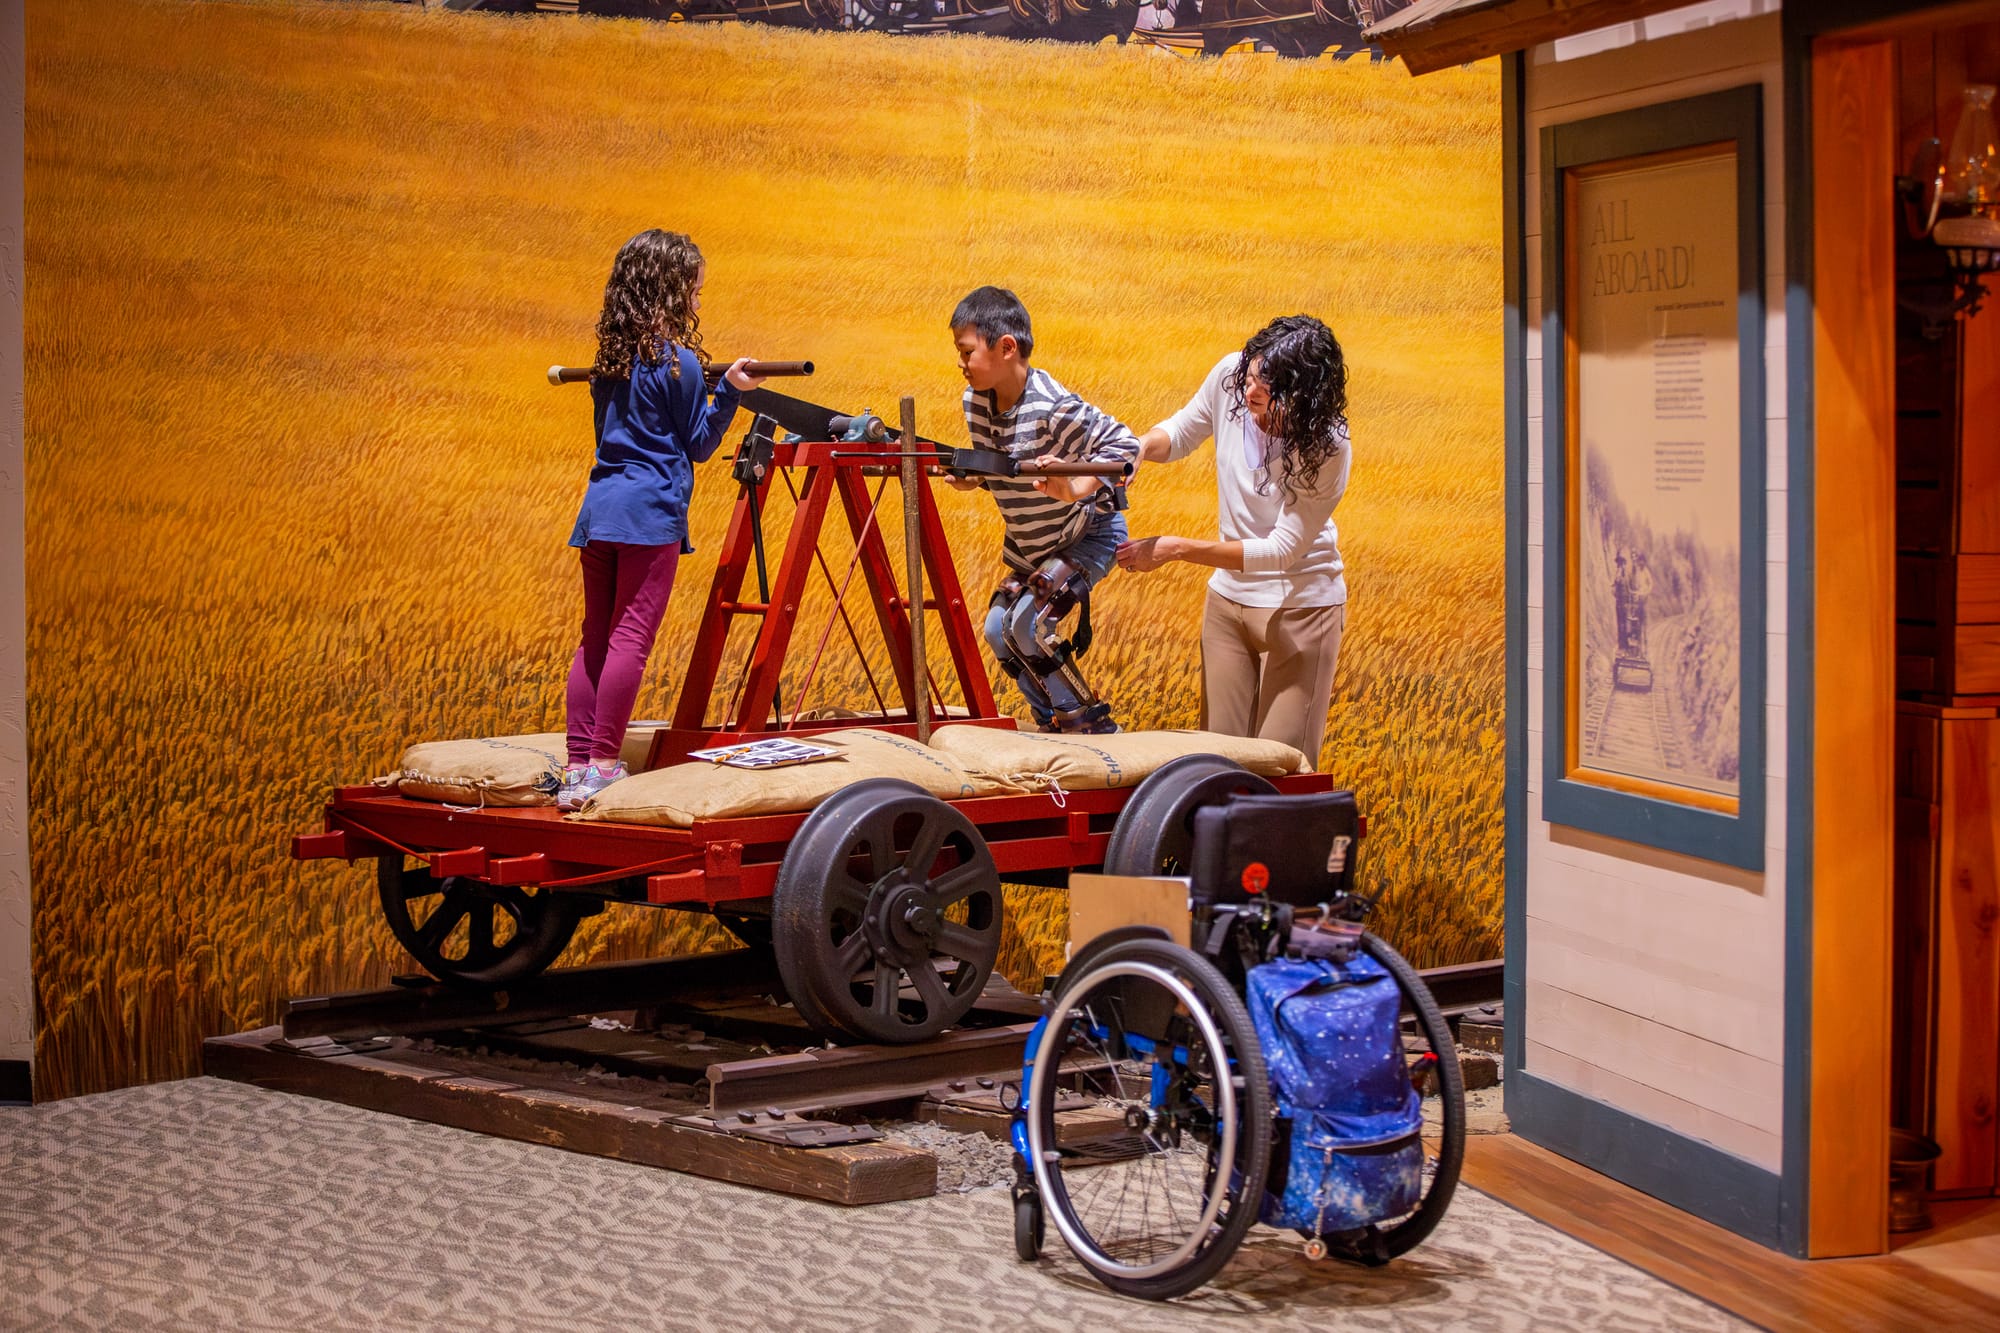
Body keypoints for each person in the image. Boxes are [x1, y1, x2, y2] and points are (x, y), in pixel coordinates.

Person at [557, 229, 765, 811]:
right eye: (694, 292)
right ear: (671, 292)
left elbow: (609, 436)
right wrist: (729, 393)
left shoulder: (608, 366)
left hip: (600, 509)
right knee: (630, 638)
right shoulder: (679, 365)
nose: (698, 303)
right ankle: (602, 762)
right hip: (649, 515)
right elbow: (698, 444)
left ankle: (578, 767)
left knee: (595, 635)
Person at [1115, 315, 1351, 769]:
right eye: (1249, 383)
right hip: (1228, 604)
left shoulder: (1330, 446)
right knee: (1215, 765)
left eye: (1264, 398)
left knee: (1280, 770)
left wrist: (1177, 549)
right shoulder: (1233, 377)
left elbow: (1282, 551)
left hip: (1301, 607)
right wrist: (1141, 446)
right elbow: (1182, 432)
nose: (1249, 398)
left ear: (1303, 402)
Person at [948, 286, 1139, 733]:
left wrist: (1075, 487)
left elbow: (1125, 446)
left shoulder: (1053, 407)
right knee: (999, 629)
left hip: (1088, 534)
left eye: (967, 351)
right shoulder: (975, 402)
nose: (960, 363)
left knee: (1029, 625)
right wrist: (975, 477)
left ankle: (1089, 724)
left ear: (1006, 347)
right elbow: (1002, 464)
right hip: (1031, 545)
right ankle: (1051, 721)